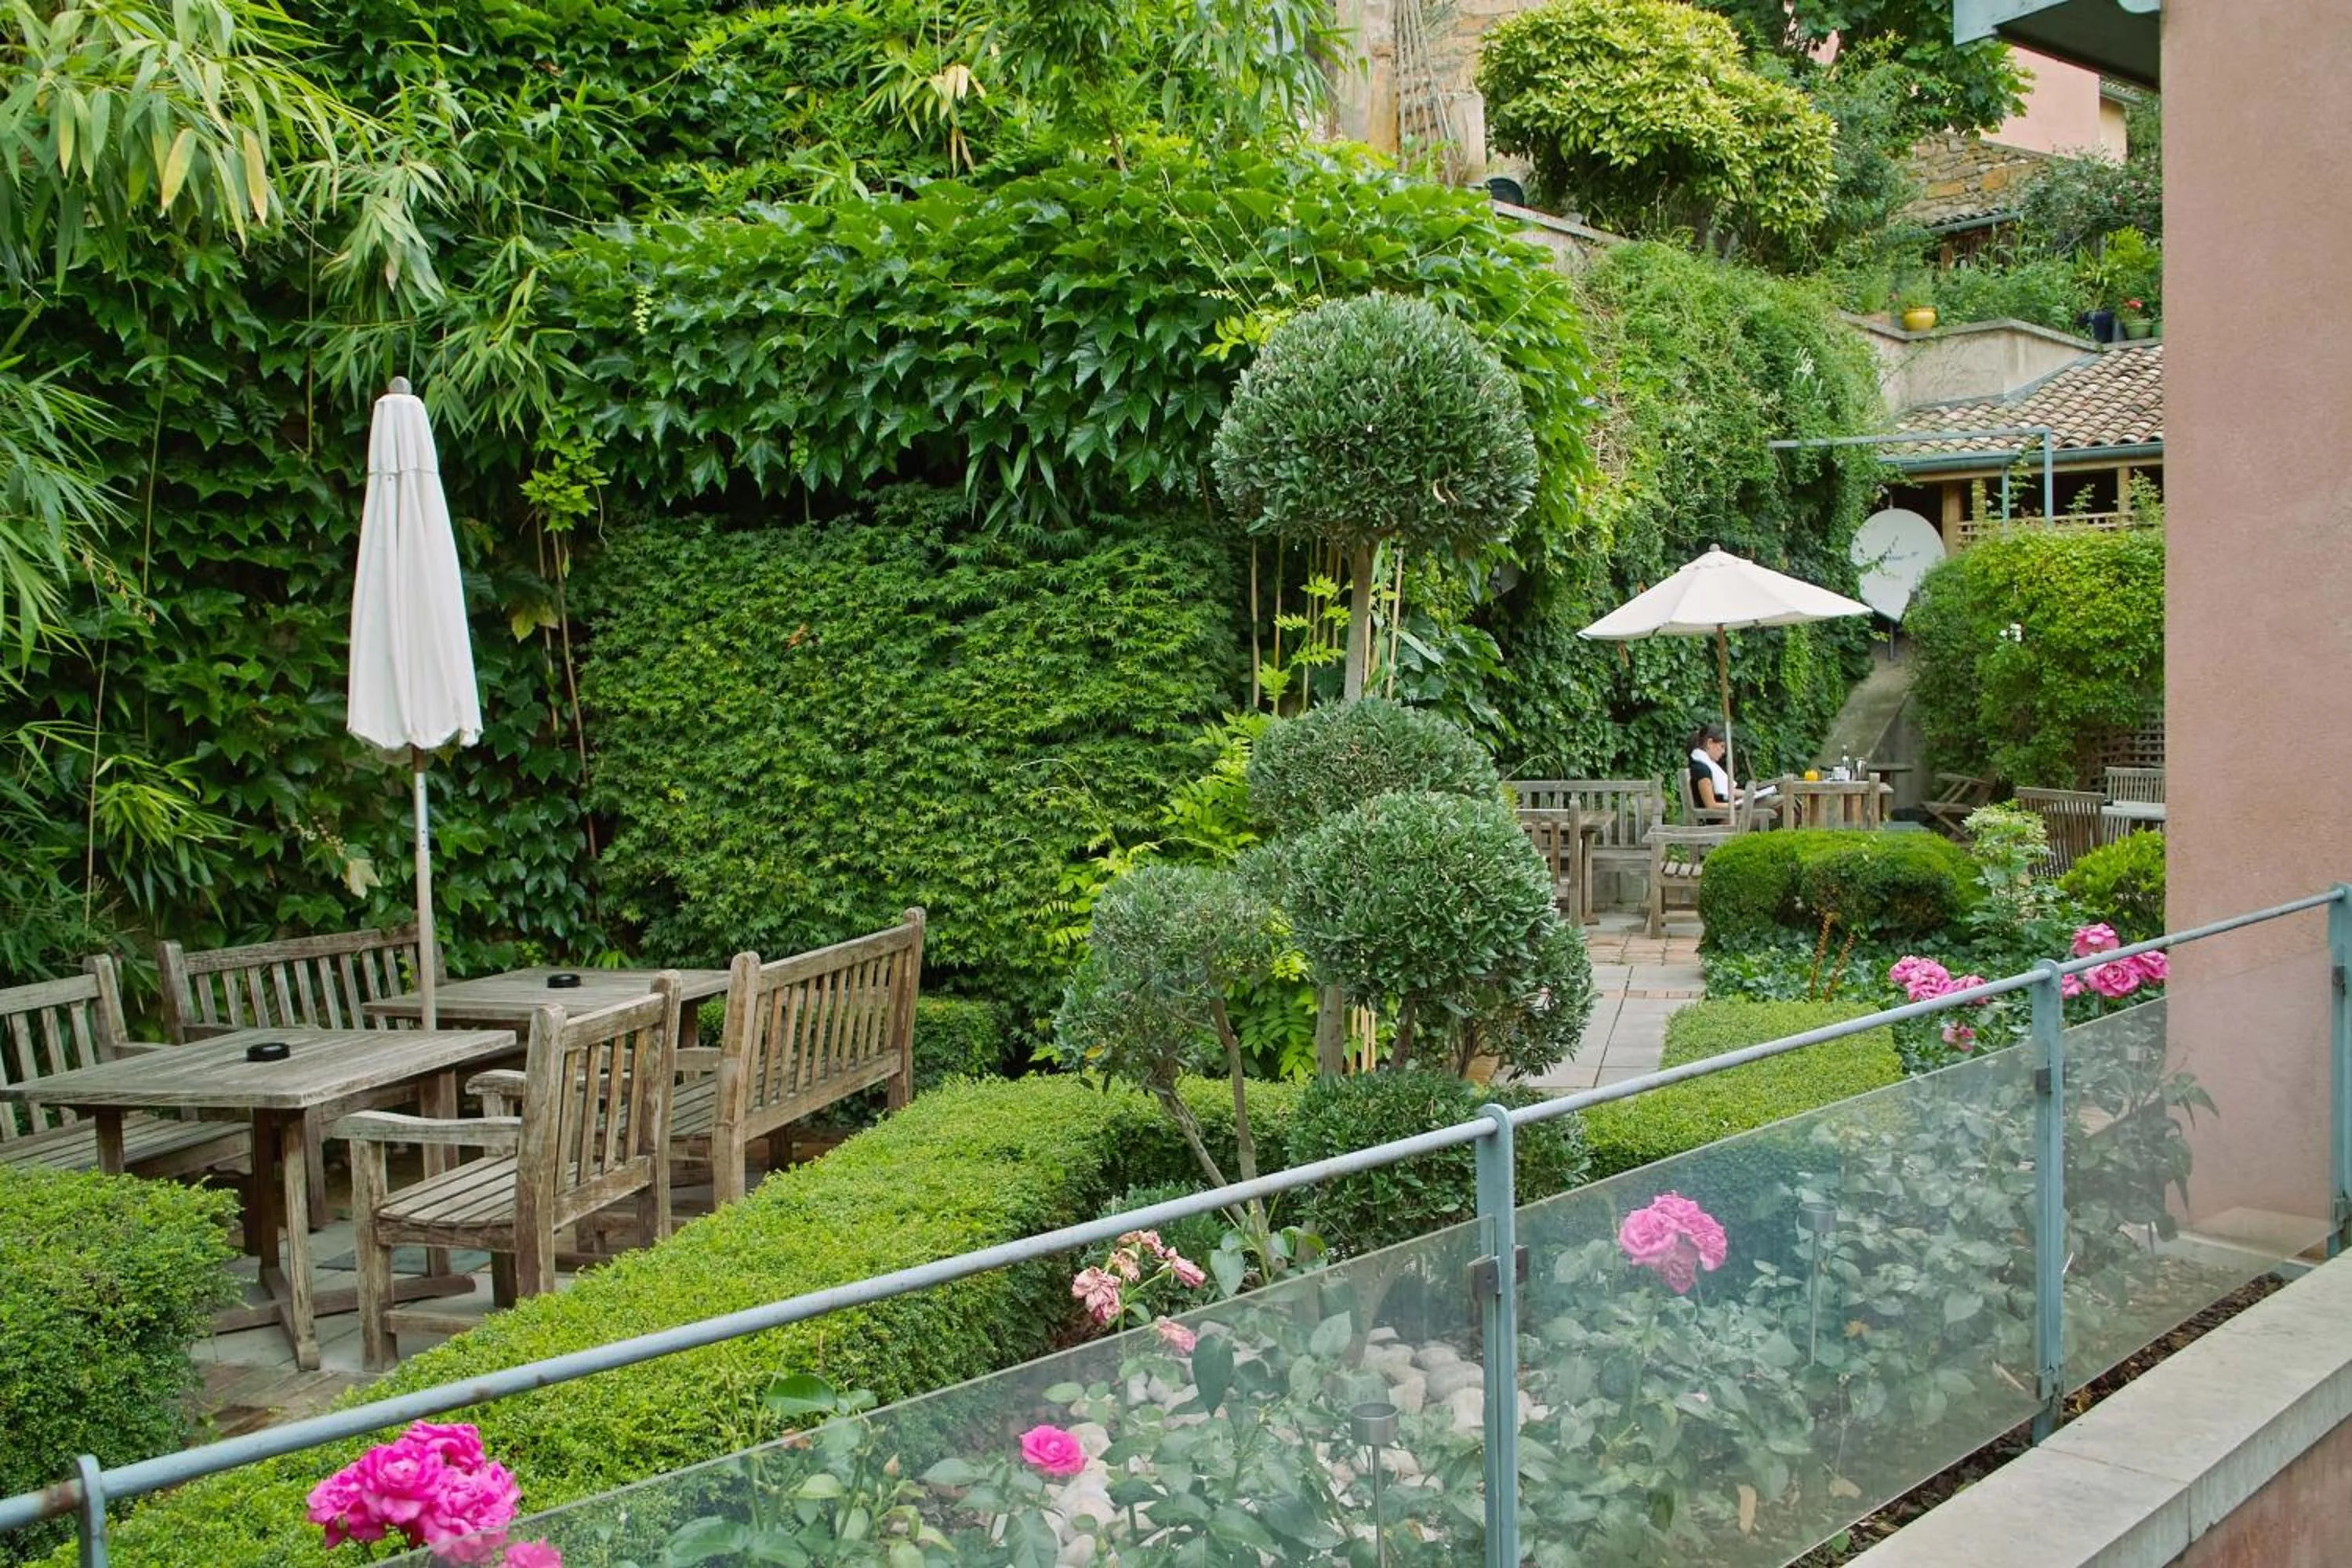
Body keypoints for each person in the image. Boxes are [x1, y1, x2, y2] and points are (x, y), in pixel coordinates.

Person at [1687, 724, 1737, 817]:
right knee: (1772, 802)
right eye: (1722, 746)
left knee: (1768, 800)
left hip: (1729, 814)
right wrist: (1737, 806)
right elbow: (1711, 805)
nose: (1723, 752)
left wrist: (1751, 795)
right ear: (1710, 743)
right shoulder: (1702, 770)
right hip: (1722, 819)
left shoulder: (1706, 765)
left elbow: (1729, 790)